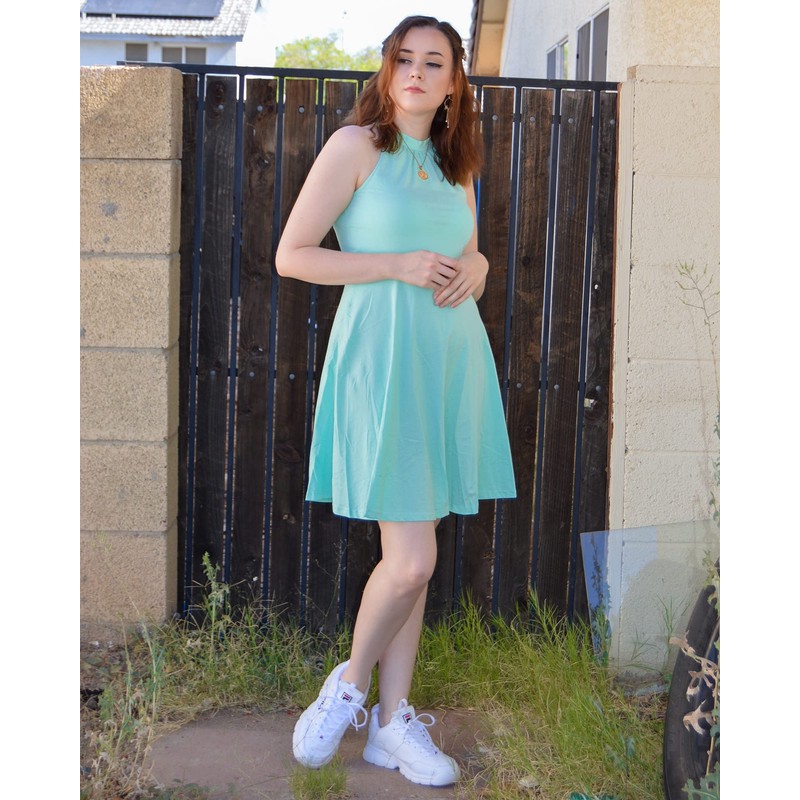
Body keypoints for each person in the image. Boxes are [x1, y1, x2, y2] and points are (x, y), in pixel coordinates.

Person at [275, 14, 516, 788]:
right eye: (404, 58)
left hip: (447, 363)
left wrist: (479, 265)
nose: (416, 71)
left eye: (433, 62)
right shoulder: (355, 148)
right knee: (413, 561)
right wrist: (395, 265)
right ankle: (349, 687)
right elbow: (292, 256)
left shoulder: (456, 162)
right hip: (381, 362)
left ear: (453, 83)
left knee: (412, 558)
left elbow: (467, 250)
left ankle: (390, 724)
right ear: (387, 72)